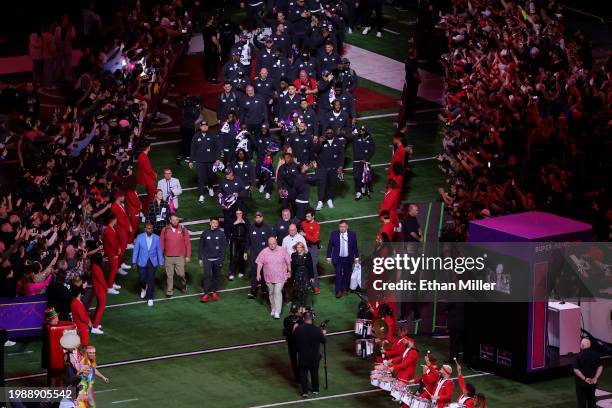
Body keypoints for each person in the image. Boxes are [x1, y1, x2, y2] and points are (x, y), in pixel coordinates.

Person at [256, 236, 291, 319]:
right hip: (269, 277)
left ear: (276, 242)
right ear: (268, 244)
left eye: (274, 243)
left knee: (277, 292)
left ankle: (277, 312)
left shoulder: (282, 250)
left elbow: (288, 261)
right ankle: (273, 308)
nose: (272, 245)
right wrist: (258, 274)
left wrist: (289, 271)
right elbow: (259, 263)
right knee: (271, 293)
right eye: (270, 244)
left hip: (281, 276)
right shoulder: (264, 252)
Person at [294, 311, 326, 398]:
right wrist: (323, 333)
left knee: (303, 374)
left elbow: (294, 340)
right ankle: (315, 389)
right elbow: (323, 341)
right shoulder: (317, 330)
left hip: (303, 356)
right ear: (312, 318)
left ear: (304, 318)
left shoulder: (299, 329)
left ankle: (305, 392)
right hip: (314, 356)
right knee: (314, 373)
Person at [132, 222, 164, 307]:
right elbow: (136, 250)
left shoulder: (157, 238)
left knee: (151, 280)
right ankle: (143, 288)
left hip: (153, 262)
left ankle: (150, 298)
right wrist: (134, 262)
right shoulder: (139, 237)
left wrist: (161, 262)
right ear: (145, 229)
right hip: (142, 261)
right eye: (148, 228)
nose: (150, 230)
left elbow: (159, 251)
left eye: (151, 228)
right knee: (142, 279)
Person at [189, 120, 222, 204]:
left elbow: (218, 147)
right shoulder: (196, 136)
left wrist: (218, 159)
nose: (204, 127)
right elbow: (193, 149)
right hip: (200, 161)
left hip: (211, 161)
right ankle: (201, 195)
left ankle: (210, 186)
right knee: (200, 177)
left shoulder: (213, 135)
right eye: (203, 125)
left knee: (211, 177)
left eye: (206, 125)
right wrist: (191, 161)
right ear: (200, 127)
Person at [313, 127, 345, 210]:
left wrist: (341, 166)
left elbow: (341, 155)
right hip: (322, 168)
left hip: (333, 168)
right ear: (325, 133)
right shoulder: (321, 141)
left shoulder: (338, 142)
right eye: (328, 133)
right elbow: (315, 151)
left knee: (331, 185)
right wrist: (320, 142)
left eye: (331, 132)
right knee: (321, 185)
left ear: (333, 133)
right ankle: (320, 202)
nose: (329, 134)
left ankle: (329, 199)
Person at [160, 215, 191, 298]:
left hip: (180, 257)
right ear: (170, 220)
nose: (175, 221)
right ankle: (169, 291)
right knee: (169, 275)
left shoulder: (184, 230)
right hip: (168, 257)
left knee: (181, 274)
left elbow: (187, 243)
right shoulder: (165, 230)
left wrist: (187, 256)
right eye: (173, 220)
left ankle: (183, 286)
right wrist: (160, 256)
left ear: (178, 220)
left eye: (176, 220)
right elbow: (161, 244)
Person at [326, 220, 359, 297]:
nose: (342, 228)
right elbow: (330, 246)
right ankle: (338, 291)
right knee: (338, 274)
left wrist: (357, 257)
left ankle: (345, 289)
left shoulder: (352, 235)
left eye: (343, 226)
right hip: (338, 258)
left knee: (347, 274)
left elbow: (355, 247)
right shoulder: (334, 234)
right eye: (340, 227)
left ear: (347, 227)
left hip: (348, 258)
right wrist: (328, 256)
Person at [247, 211, 274, 299]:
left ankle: (264, 290)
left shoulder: (268, 228)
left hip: (266, 255)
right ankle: (253, 291)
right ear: (254, 218)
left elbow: (272, 241)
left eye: (259, 217)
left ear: (262, 218)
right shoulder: (251, 228)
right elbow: (247, 241)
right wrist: (245, 251)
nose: (258, 219)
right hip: (254, 255)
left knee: (265, 273)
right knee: (254, 273)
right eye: (256, 217)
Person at [199, 217, 226, 303]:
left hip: (217, 259)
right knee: (207, 276)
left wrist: (221, 260)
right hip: (207, 259)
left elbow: (223, 249)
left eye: (216, 223)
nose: (215, 224)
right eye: (213, 223)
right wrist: (200, 258)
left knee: (216, 276)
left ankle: (214, 292)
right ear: (210, 223)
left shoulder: (221, 234)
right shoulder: (205, 233)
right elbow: (201, 247)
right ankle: (206, 294)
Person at [574, 338, 603, 408]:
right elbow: (600, 367)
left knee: (581, 402)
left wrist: (584, 379)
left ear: (582, 345)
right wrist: (595, 378)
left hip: (581, 383)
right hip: (593, 382)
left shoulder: (578, 356)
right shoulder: (596, 355)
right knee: (592, 401)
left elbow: (576, 370)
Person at [349, 125, 376, 199]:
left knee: (365, 177)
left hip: (365, 162)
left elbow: (372, 150)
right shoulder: (355, 137)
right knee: (357, 177)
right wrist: (342, 133)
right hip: (357, 161)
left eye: (363, 130)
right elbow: (347, 137)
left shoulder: (370, 139)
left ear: (366, 131)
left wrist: (366, 159)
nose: (361, 131)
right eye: (360, 129)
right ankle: (358, 192)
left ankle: (363, 188)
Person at [111, 192, 132, 274]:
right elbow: (119, 220)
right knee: (122, 249)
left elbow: (124, 216)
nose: (124, 197)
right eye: (122, 196)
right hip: (120, 230)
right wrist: (128, 227)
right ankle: (118, 268)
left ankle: (122, 263)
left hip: (124, 229)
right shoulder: (114, 207)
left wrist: (128, 225)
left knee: (123, 248)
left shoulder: (120, 204)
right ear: (118, 197)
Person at [301, 209, 320, 294]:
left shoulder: (316, 225)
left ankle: (315, 286)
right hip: (304, 246)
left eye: (308, 216)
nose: (307, 218)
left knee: (313, 266)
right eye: (306, 216)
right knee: (303, 264)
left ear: (313, 216)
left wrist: (305, 235)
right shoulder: (303, 223)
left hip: (312, 247)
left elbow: (314, 239)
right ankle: (307, 284)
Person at [283, 304, 304, 383]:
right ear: (298, 311)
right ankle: (302, 376)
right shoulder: (301, 319)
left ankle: (297, 378)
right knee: (301, 360)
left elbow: (285, 331)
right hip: (300, 343)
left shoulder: (286, 319)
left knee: (294, 360)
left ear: (290, 311)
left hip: (291, 343)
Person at [291, 242, 314, 308]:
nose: (298, 249)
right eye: (297, 247)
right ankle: (299, 305)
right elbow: (292, 266)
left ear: (303, 248)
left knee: (305, 290)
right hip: (297, 275)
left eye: (300, 247)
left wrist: (312, 277)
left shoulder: (307, 254)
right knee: (298, 290)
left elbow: (310, 266)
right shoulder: (293, 255)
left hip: (305, 274)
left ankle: (303, 306)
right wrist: (291, 275)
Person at [137, 142, 157, 212]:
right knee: (153, 196)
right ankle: (152, 210)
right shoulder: (144, 157)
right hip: (148, 179)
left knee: (150, 194)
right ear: (148, 147)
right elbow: (148, 170)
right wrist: (154, 175)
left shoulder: (140, 156)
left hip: (144, 178)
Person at [229, 209, 249, 280]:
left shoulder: (246, 220)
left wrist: (244, 223)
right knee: (233, 256)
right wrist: (235, 223)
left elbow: (248, 230)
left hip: (243, 240)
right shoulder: (232, 220)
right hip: (234, 240)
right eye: (237, 214)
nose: (239, 215)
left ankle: (241, 271)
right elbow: (229, 230)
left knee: (241, 257)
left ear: (242, 214)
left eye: (240, 213)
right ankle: (231, 273)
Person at [89, 253, 106, 335]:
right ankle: (94, 327)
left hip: (98, 289)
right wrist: (106, 288)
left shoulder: (94, 266)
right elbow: (101, 280)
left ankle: (94, 322)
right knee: (101, 308)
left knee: (99, 306)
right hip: (100, 290)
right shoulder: (96, 268)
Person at [403, 48, 420, 126]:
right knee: (411, 101)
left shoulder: (408, 60)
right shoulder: (412, 63)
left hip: (410, 81)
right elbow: (415, 74)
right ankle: (410, 118)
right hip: (413, 82)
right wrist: (419, 79)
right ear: (413, 54)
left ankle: (409, 116)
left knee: (410, 100)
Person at [202, 14, 221, 83]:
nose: (213, 19)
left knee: (208, 62)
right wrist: (218, 45)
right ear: (210, 20)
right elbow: (214, 40)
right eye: (212, 18)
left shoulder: (204, 28)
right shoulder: (212, 28)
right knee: (214, 63)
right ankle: (213, 78)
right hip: (212, 48)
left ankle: (208, 77)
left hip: (206, 47)